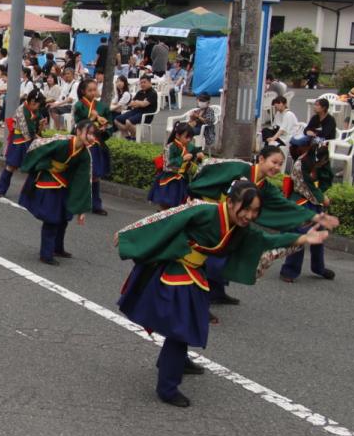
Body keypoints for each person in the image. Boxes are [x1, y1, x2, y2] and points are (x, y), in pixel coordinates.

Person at [116, 180, 330, 407]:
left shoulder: (239, 229)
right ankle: (167, 387)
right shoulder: (204, 211)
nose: (248, 215)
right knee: (182, 329)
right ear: (230, 202)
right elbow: (167, 219)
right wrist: (128, 234)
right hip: (175, 268)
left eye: (254, 211)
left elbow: (265, 240)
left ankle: (172, 365)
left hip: (195, 273)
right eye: (245, 208)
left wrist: (304, 238)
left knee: (187, 326)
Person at [189, 145, 339, 309]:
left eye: (280, 164)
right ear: (261, 159)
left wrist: (315, 216)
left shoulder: (265, 188)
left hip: (232, 221)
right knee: (210, 260)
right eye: (273, 162)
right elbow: (208, 172)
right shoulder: (239, 168)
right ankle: (200, 301)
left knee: (228, 254)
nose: (276, 167)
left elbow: (284, 205)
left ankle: (216, 293)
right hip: (210, 216)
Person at [18, 121, 98, 265]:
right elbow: (37, 146)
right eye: (89, 133)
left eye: (94, 134)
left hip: (64, 181)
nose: (92, 137)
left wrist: (82, 208)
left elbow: (83, 180)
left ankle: (57, 248)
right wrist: (47, 164)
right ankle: (46, 254)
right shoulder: (62, 142)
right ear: (78, 131)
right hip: (49, 176)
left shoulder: (85, 155)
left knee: (64, 216)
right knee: (52, 218)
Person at [279, 136, 335, 283]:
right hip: (300, 201)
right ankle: (289, 270)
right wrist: (322, 198)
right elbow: (305, 186)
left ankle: (319, 268)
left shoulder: (321, 159)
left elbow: (326, 178)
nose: (323, 163)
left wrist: (322, 193)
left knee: (319, 235)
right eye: (321, 161)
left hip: (315, 203)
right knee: (298, 236)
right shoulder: (300, 163)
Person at [72, 79, 114, 214]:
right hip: (83, 143)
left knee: (95, 175)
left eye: (94, 90)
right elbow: (78, 125)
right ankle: (78, 200)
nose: (92, 92)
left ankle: (96, 204)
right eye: (89, 90)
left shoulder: (102, 107)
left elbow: (110, 125)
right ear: (83, 91)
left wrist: (104, 130)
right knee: (82, 174)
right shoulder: (79, 106)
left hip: (96, 144)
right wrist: (91, 118)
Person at [0, 90, 45, 198]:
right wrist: (38, 137)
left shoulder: (34, 109)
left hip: (28, 139)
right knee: (11, 166)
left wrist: (40, 124)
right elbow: (29, 132)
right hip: (19, 141)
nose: (37, 108)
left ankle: (28, 193)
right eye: (36, 105)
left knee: (34, 167)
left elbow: (36, 124)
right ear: (32, 101)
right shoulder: (21, 111)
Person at [149, 122, 203, 209]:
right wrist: (182, 159)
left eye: (190, 137)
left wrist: (200, 155)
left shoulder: (190, 146)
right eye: (186, 137)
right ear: (177, 135)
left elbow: (196, 153)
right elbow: (167, 165)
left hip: (185, 178)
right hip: (170, 178)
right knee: (169, 202)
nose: (189, 140)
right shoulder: (170, 147)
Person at [115, 75, 158, 141]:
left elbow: (144, 104)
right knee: (117, 120)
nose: (142, 84)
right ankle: (127, 137)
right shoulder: (140, 92)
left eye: (144, 82)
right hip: (135, 111)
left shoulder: (153, 93)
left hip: (146, 114)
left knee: (128, 122)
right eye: (141, 83)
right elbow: (131, 103)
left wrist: (138, 102)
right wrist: (139, 103)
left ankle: (134, 137)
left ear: (150, 83)